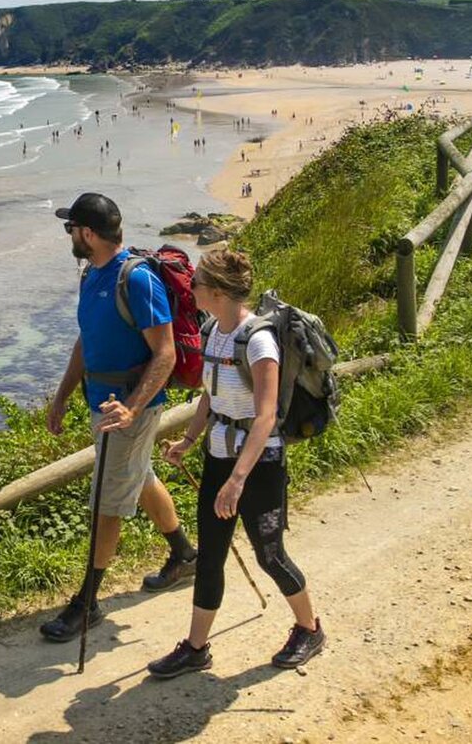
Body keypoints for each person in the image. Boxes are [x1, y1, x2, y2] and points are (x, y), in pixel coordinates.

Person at [146, 248, 324, 678]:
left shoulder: (259, 341)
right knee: (210, 555)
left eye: (198, 283)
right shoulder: (212, 331)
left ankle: (309, 629)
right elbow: (211, 393)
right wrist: (189, 440)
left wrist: (237, 480)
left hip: (258, 465)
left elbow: (265, 416)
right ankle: (195, 647)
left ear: (218, 292)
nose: (192, 288)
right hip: (219, 457)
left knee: (270, 556)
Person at [41, 193, 198, 643]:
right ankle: (184, 555)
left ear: (88, 234)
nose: (69, 235)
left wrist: (132, 408)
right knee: (140, 477)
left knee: (107, 502)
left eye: (71, 228)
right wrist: (62, 396)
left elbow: (165, 354)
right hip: (101, 404)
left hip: (128, 411)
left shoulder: (138, 280)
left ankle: (87, 603)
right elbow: (86, 340)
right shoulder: (92, 274)